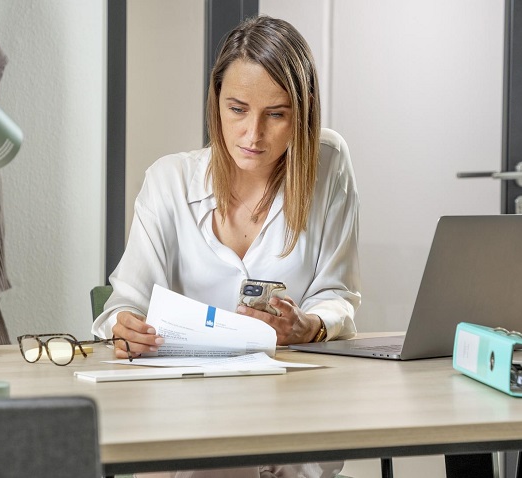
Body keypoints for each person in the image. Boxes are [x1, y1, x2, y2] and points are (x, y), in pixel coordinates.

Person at [91, 15, 361, 478]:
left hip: (290, 418)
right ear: (215, 100)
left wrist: (311, 325)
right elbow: (124, 303)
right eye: (237, 109)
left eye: (276, 114)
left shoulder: (327, 162)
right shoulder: (168, 181)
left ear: (305, 109)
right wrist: (124, 325)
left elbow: (339, 296)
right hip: (187, 422)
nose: (252, 135)